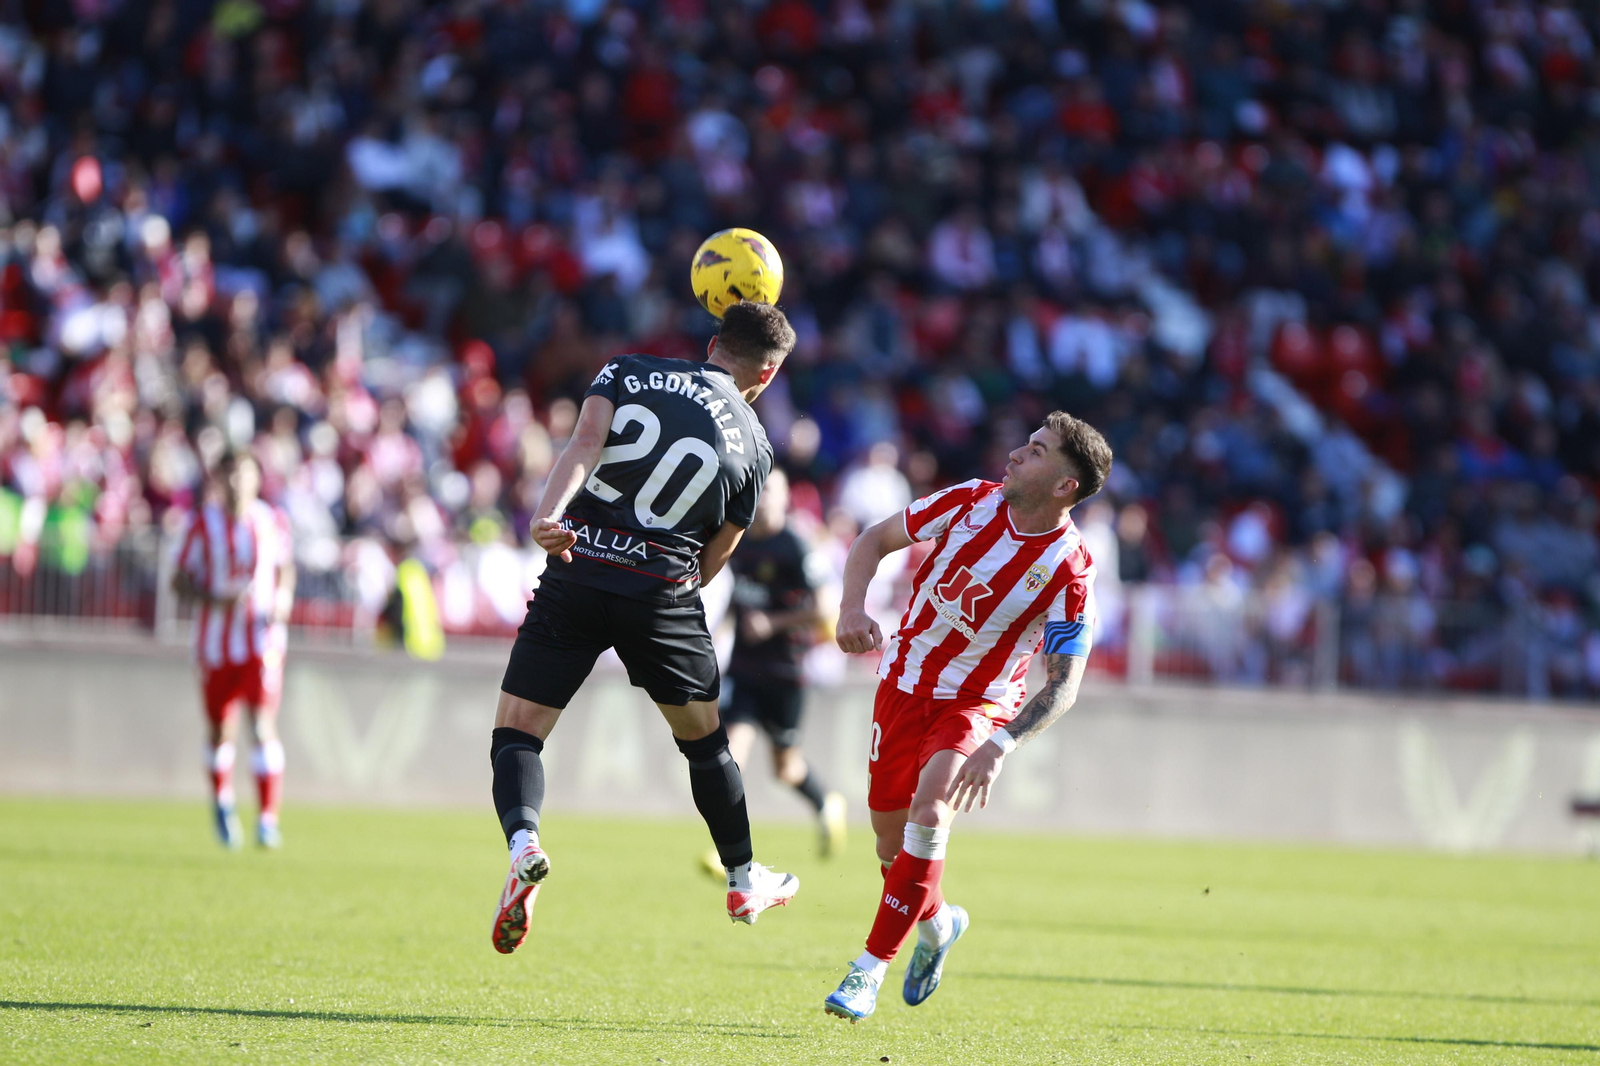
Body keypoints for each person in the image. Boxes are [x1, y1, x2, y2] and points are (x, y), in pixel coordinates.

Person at [489, 301, 802, 955]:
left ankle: (524, 844)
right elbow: (717, 556)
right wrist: (662, 595)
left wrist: (549, 517)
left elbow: (583, 444)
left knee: (518, 731)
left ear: (713, 344)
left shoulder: (627, 370)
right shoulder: (756, 445)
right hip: (662, 592)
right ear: (768, 374)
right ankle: (743, 878)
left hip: (577, 565)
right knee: (707, 746)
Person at [822, 411, 1113, 1022]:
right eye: (1025, 443)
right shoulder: (970, 501)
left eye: (1036, 451)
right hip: (902, 684)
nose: (1016, 454)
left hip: (976, 703)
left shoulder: (1071, 569)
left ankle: (867, 970)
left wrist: (999, 745)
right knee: (890, 846)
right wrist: (850, 608)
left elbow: (1064, 685)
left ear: (1065, 485)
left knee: (930, 812)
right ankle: (938, 926)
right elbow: (873, 539)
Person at [701, 467, 847, 873]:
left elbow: (824, 608)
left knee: (786, 769)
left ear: (785, 499)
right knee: (730, 756)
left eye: (771, 492)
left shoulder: (797, 546)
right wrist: (719, 633)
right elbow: (741, 597)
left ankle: (826, 803)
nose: (762, 499)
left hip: (786, 673)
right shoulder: (739, 538)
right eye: (759, 491)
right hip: (745, 669)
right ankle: (729, 850)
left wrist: (773, 622)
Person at [170, 453, 296, 849]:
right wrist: (214, 599)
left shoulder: (271, 520)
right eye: (231, 474)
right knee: (220, 730)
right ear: (220, 479)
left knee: (261, 725)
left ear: (257, 479)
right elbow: (178, 581)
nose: (238, 482)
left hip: (262, 640)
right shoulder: (200, 524)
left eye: (245, 473)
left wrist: (284, 599)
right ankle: (222, 804)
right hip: (215, 643)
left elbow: (286, 567)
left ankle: (267, 820)